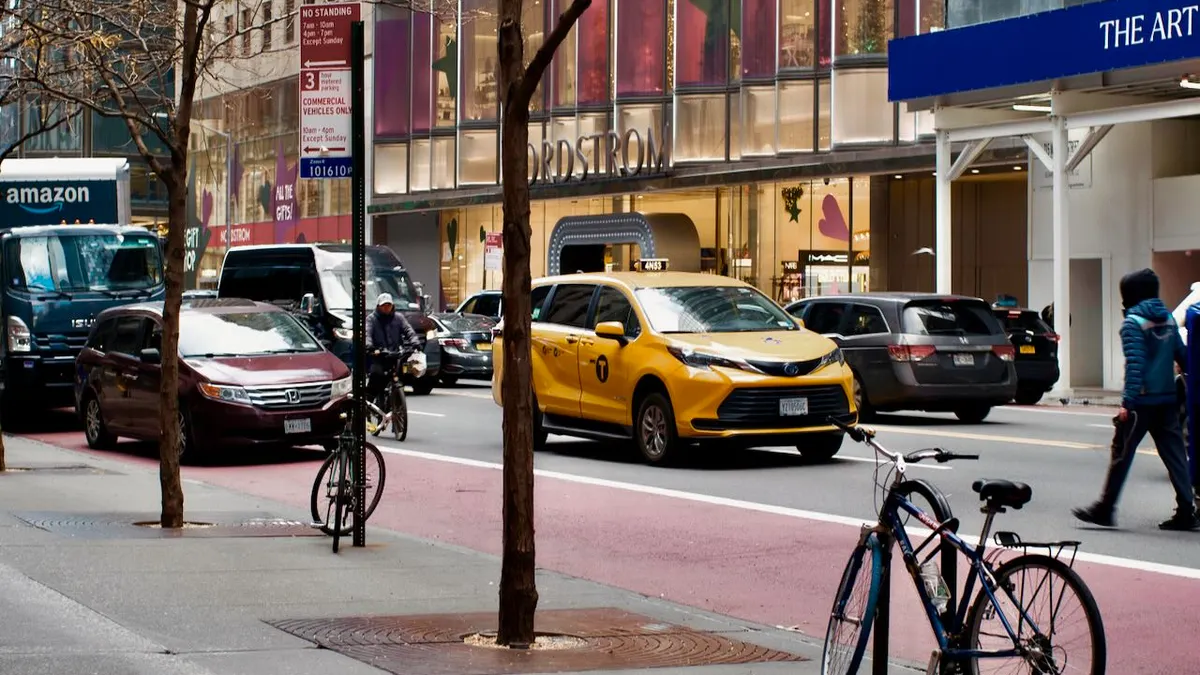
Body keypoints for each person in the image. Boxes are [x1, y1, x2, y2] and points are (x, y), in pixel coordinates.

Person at [1073, 269, 1199, 531]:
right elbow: (1183, 355)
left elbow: (1136, 365)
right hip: (1167, 399)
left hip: (1141, 402)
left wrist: (1127, 403)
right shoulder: (1166, 319)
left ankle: (1106, 508)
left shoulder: (1132, 323)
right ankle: (1187, 510)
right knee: (1176, 456)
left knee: (1121, 455)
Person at [365, 292, 421, 404]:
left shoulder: (399, 318)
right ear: (378, 306)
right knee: (376, 377)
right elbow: (367, 333)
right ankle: (368, 404)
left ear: (392, 306)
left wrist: (415, 342)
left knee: (407, 372)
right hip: (378, 355)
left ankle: (396, 399)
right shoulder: (371, 319)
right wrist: (369, 347)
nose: (386, 308)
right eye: (383, 305)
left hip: (395, 354)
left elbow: (408, 330)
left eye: (388, 305)